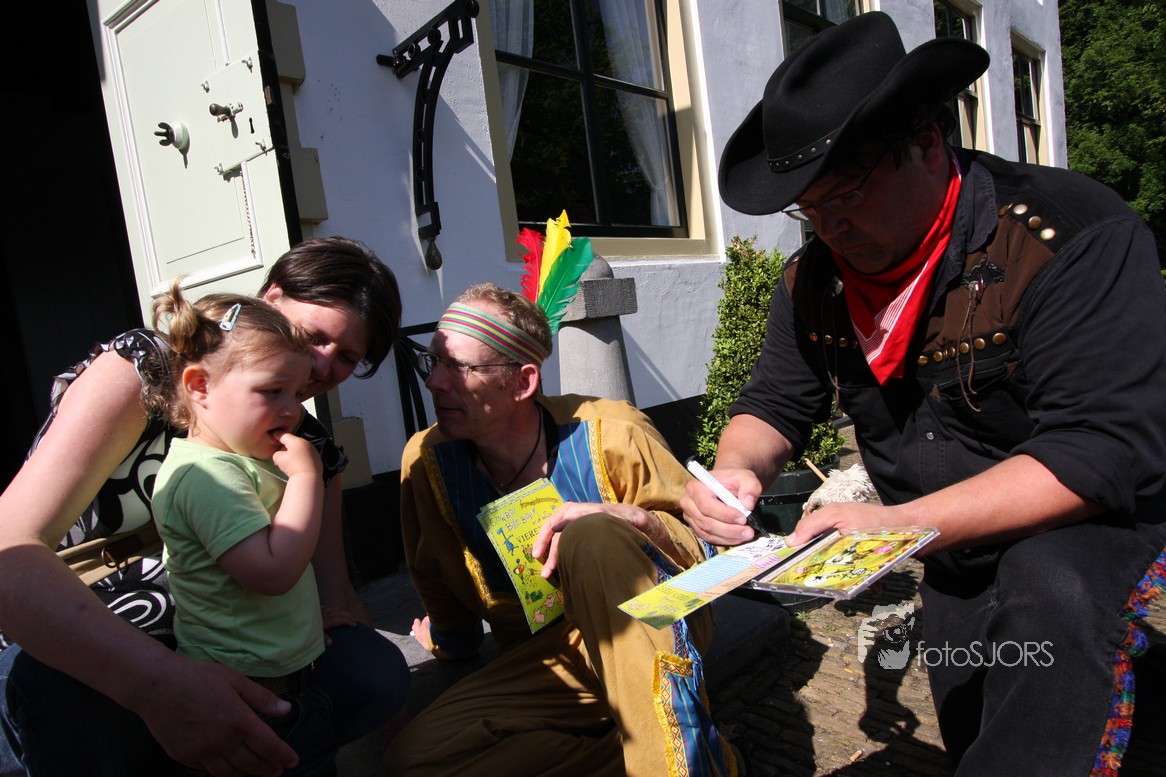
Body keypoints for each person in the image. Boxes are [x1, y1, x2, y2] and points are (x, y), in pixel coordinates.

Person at [682, 11, 1166, 776]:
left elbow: (1097, 452)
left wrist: (896, 525)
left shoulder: (1067, 238)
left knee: (1055, 693)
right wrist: (737, 468)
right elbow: (773, 402)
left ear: (928, 142)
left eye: (847, 193)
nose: (830, 227)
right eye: (810, 208)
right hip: (950, 556)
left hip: (1079, 551)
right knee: (979, 737)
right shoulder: (814, 282)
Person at [0, 237, 408, 776]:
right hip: (97, 613)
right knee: (66, 693)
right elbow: (9, 547)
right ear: (272, 297)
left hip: (236, 631)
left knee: (370, 671)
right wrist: (158, 684)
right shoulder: (148, 370)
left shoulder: (309, 448)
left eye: (348, 357)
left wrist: (398, 722)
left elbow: (334, 593)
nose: (320, 364)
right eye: (315, 336)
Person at [385, 283, 735, 777]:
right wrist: (450, 640)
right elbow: (431, 564)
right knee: (413, 761)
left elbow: (708, 561)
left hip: (652, 624)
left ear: (522, 382)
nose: (435, 383)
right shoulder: (426, 460)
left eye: (458, 367)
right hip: (548, 658)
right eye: (433, 361)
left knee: (592, 535)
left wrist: (636, 521)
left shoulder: (614, 433)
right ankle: (640, 754)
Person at [151, 286, 356, 775]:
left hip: (284, 676)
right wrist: (307, 478)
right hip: (251, 695)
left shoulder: (240, 460)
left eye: (295, 393)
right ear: (200, 386)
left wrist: (306, 620)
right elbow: (273, 571)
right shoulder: (205, 477)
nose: (292, 410)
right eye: (271, 391)